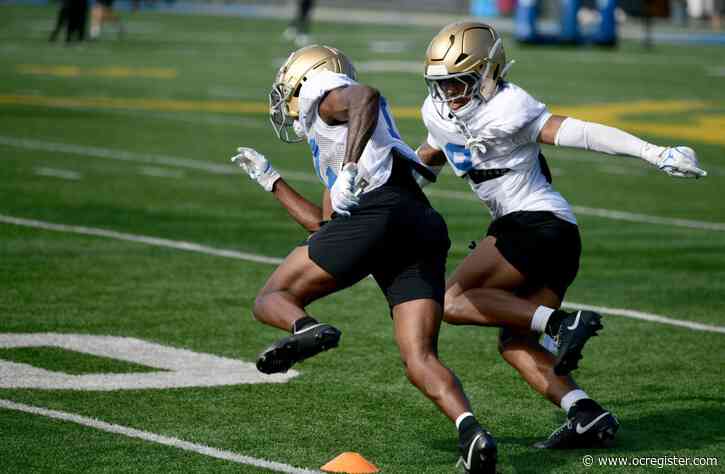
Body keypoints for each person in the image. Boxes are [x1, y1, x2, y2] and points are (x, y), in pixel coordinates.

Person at [415, 21, 706, 449]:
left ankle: (561, 323)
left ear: (490, 72)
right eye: (444, 84)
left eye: (461, 82)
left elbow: (583, 133)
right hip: (555, 237)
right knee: (515, 340)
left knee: (452, 301)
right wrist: (373, 195)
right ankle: (585, 413)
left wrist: (653, 152)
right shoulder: (438, 112)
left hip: (534, 224)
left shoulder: (511, 106)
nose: (451, 94)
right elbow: (428, 158)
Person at [230, 45, 497, 473]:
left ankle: (307, 328)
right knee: (419, 357)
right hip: (418, 221)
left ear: (306, 79)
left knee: (272, 296)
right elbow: (326, 227)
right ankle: (472, 432)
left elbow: (366, 96)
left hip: (379, 213)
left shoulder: (326, 92)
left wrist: (351, 168)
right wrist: (271, 180)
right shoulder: (333, 139)